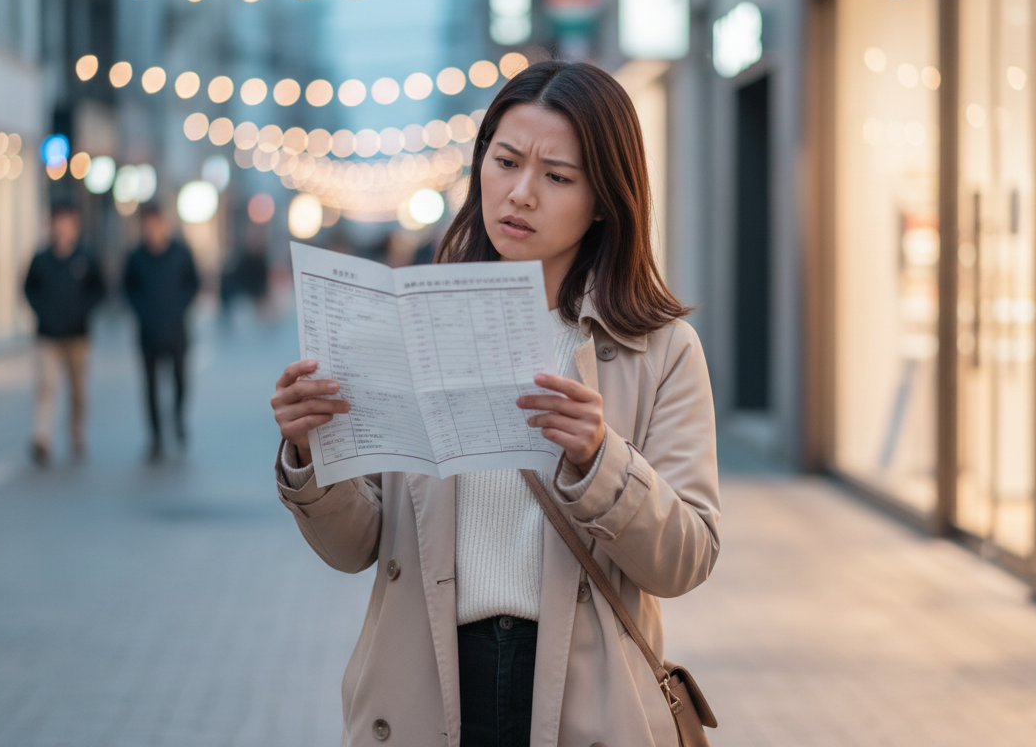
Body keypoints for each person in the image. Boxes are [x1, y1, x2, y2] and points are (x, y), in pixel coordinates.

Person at [270, 61, 720, 745]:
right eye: (505, 161)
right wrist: (310, 452)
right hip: (427, 682)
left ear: (605, 198)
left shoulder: (658, 349)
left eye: (558, 176)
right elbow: (357, 544)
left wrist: (601, 462)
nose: (521, 194)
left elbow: (686, 558)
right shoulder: (410, 322)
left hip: (584, 695)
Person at [24, 202, 105, 465]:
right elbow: (28, 288)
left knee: (78, 390)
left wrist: (83, 312)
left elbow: (99, 290)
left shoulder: (86, 257)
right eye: (58, 221)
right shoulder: (42, 258)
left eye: (67, 222)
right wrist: (42, 312)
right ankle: (42, 438)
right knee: (46, 386)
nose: (62, 227)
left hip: (77, 335)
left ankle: (76, 433)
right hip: (47, 334)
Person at [124, 202, 199, 459]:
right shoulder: (136, 257)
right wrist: (141, 310)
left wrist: (180, 306)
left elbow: (193, 283)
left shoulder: (180, 253)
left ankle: (177, 418)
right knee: (150, 386)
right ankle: (155, 436)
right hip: (148, 331)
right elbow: (128, 289)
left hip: (177, 330)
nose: (152, 229)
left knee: (179, 379)